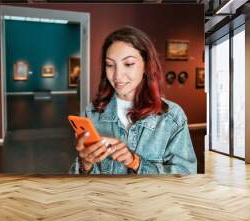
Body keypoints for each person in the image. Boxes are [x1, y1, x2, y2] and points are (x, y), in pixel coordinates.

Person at [69, 26, 197, 175]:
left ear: (146, 66)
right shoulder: (92, 113)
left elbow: (186, 175)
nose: (117, 76)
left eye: (128, 64)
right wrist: (85, 164)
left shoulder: (172, 116)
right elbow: (78, 179)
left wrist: (136, 163)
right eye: (110, 65)